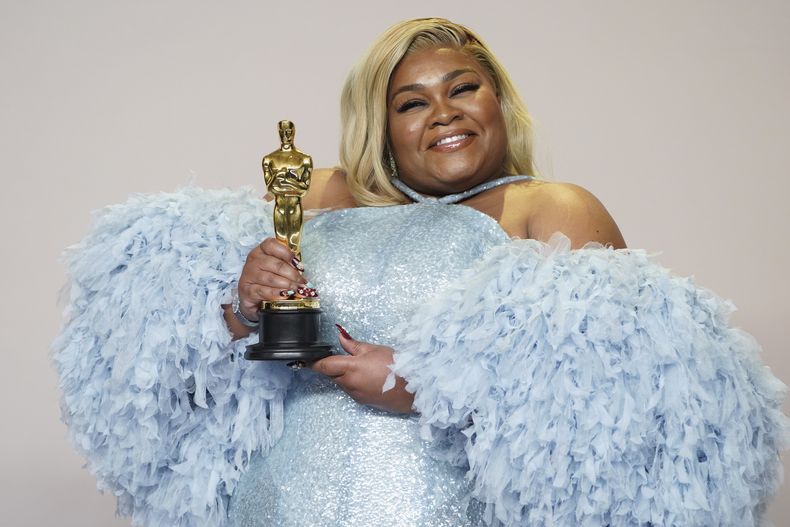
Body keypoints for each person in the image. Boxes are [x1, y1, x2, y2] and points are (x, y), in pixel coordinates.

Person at [54, 18, 786, 527]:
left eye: (462, 87)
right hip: (271, 505)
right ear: (384, 128)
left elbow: (623, 411)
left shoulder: (549, 208)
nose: (442, 112)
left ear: (497, 99)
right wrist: (244, 305)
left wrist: (427, 385)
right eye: (411, 101)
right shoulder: (315, 195)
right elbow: (180, 381)